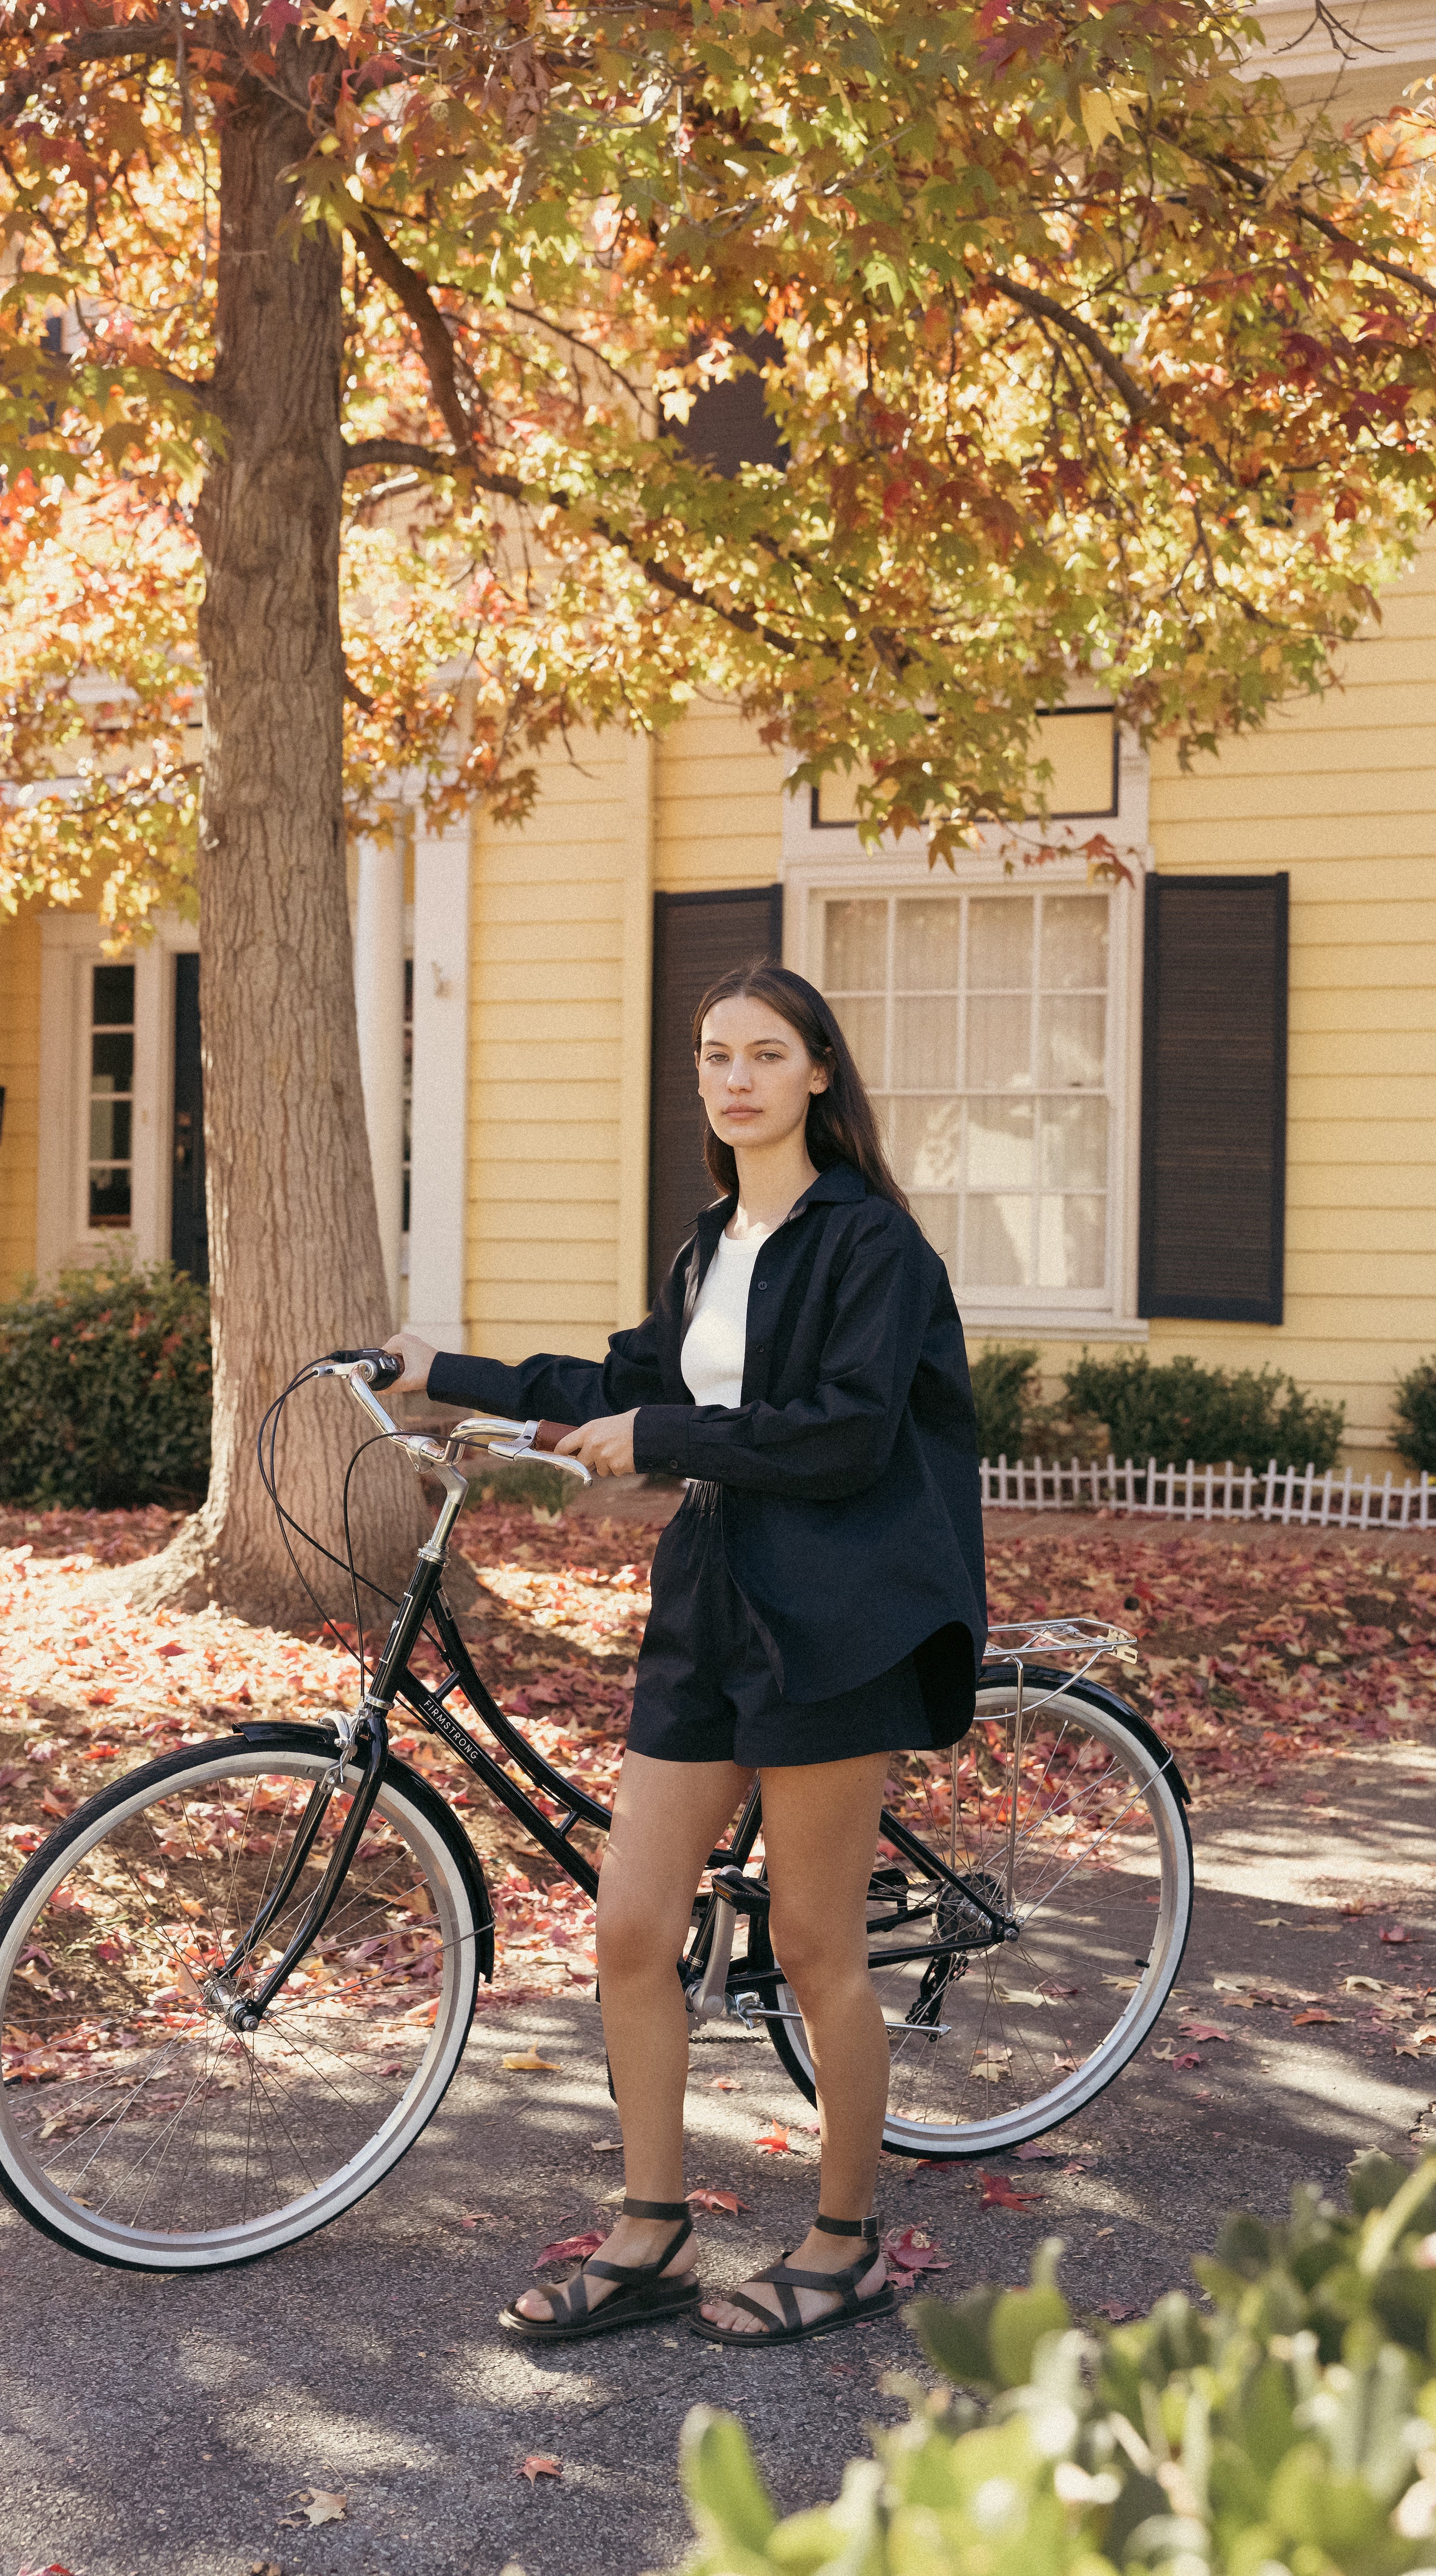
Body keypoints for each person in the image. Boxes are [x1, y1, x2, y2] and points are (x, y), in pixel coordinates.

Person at [384, 961, 984, 2347]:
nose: (734, 1079)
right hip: (710, 1602)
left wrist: (664, 1442)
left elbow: (840, 1436)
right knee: (632, 1928)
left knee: (814, 1943)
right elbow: (633, 1389)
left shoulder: (872, 1247)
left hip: (837, 1614)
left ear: (818, 1073)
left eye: (765, 1054)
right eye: (715, 1056)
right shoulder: (710, 1242)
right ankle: (652, 2233)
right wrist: (448, 1373)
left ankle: (845, 2244)